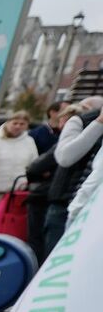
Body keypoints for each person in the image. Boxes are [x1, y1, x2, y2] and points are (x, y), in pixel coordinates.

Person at [42, 96, 103, 254]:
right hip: (64, 204)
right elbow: (65, 157)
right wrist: (99, 123)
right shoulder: (80, 121)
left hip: (93, 210)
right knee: (56, 258)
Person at [0, 111, 40, 218]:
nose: (18, 126)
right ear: (8, 122)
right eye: (15, 123)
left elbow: (34, 164)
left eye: (22, 124)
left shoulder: (29, 141)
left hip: (18, 192)